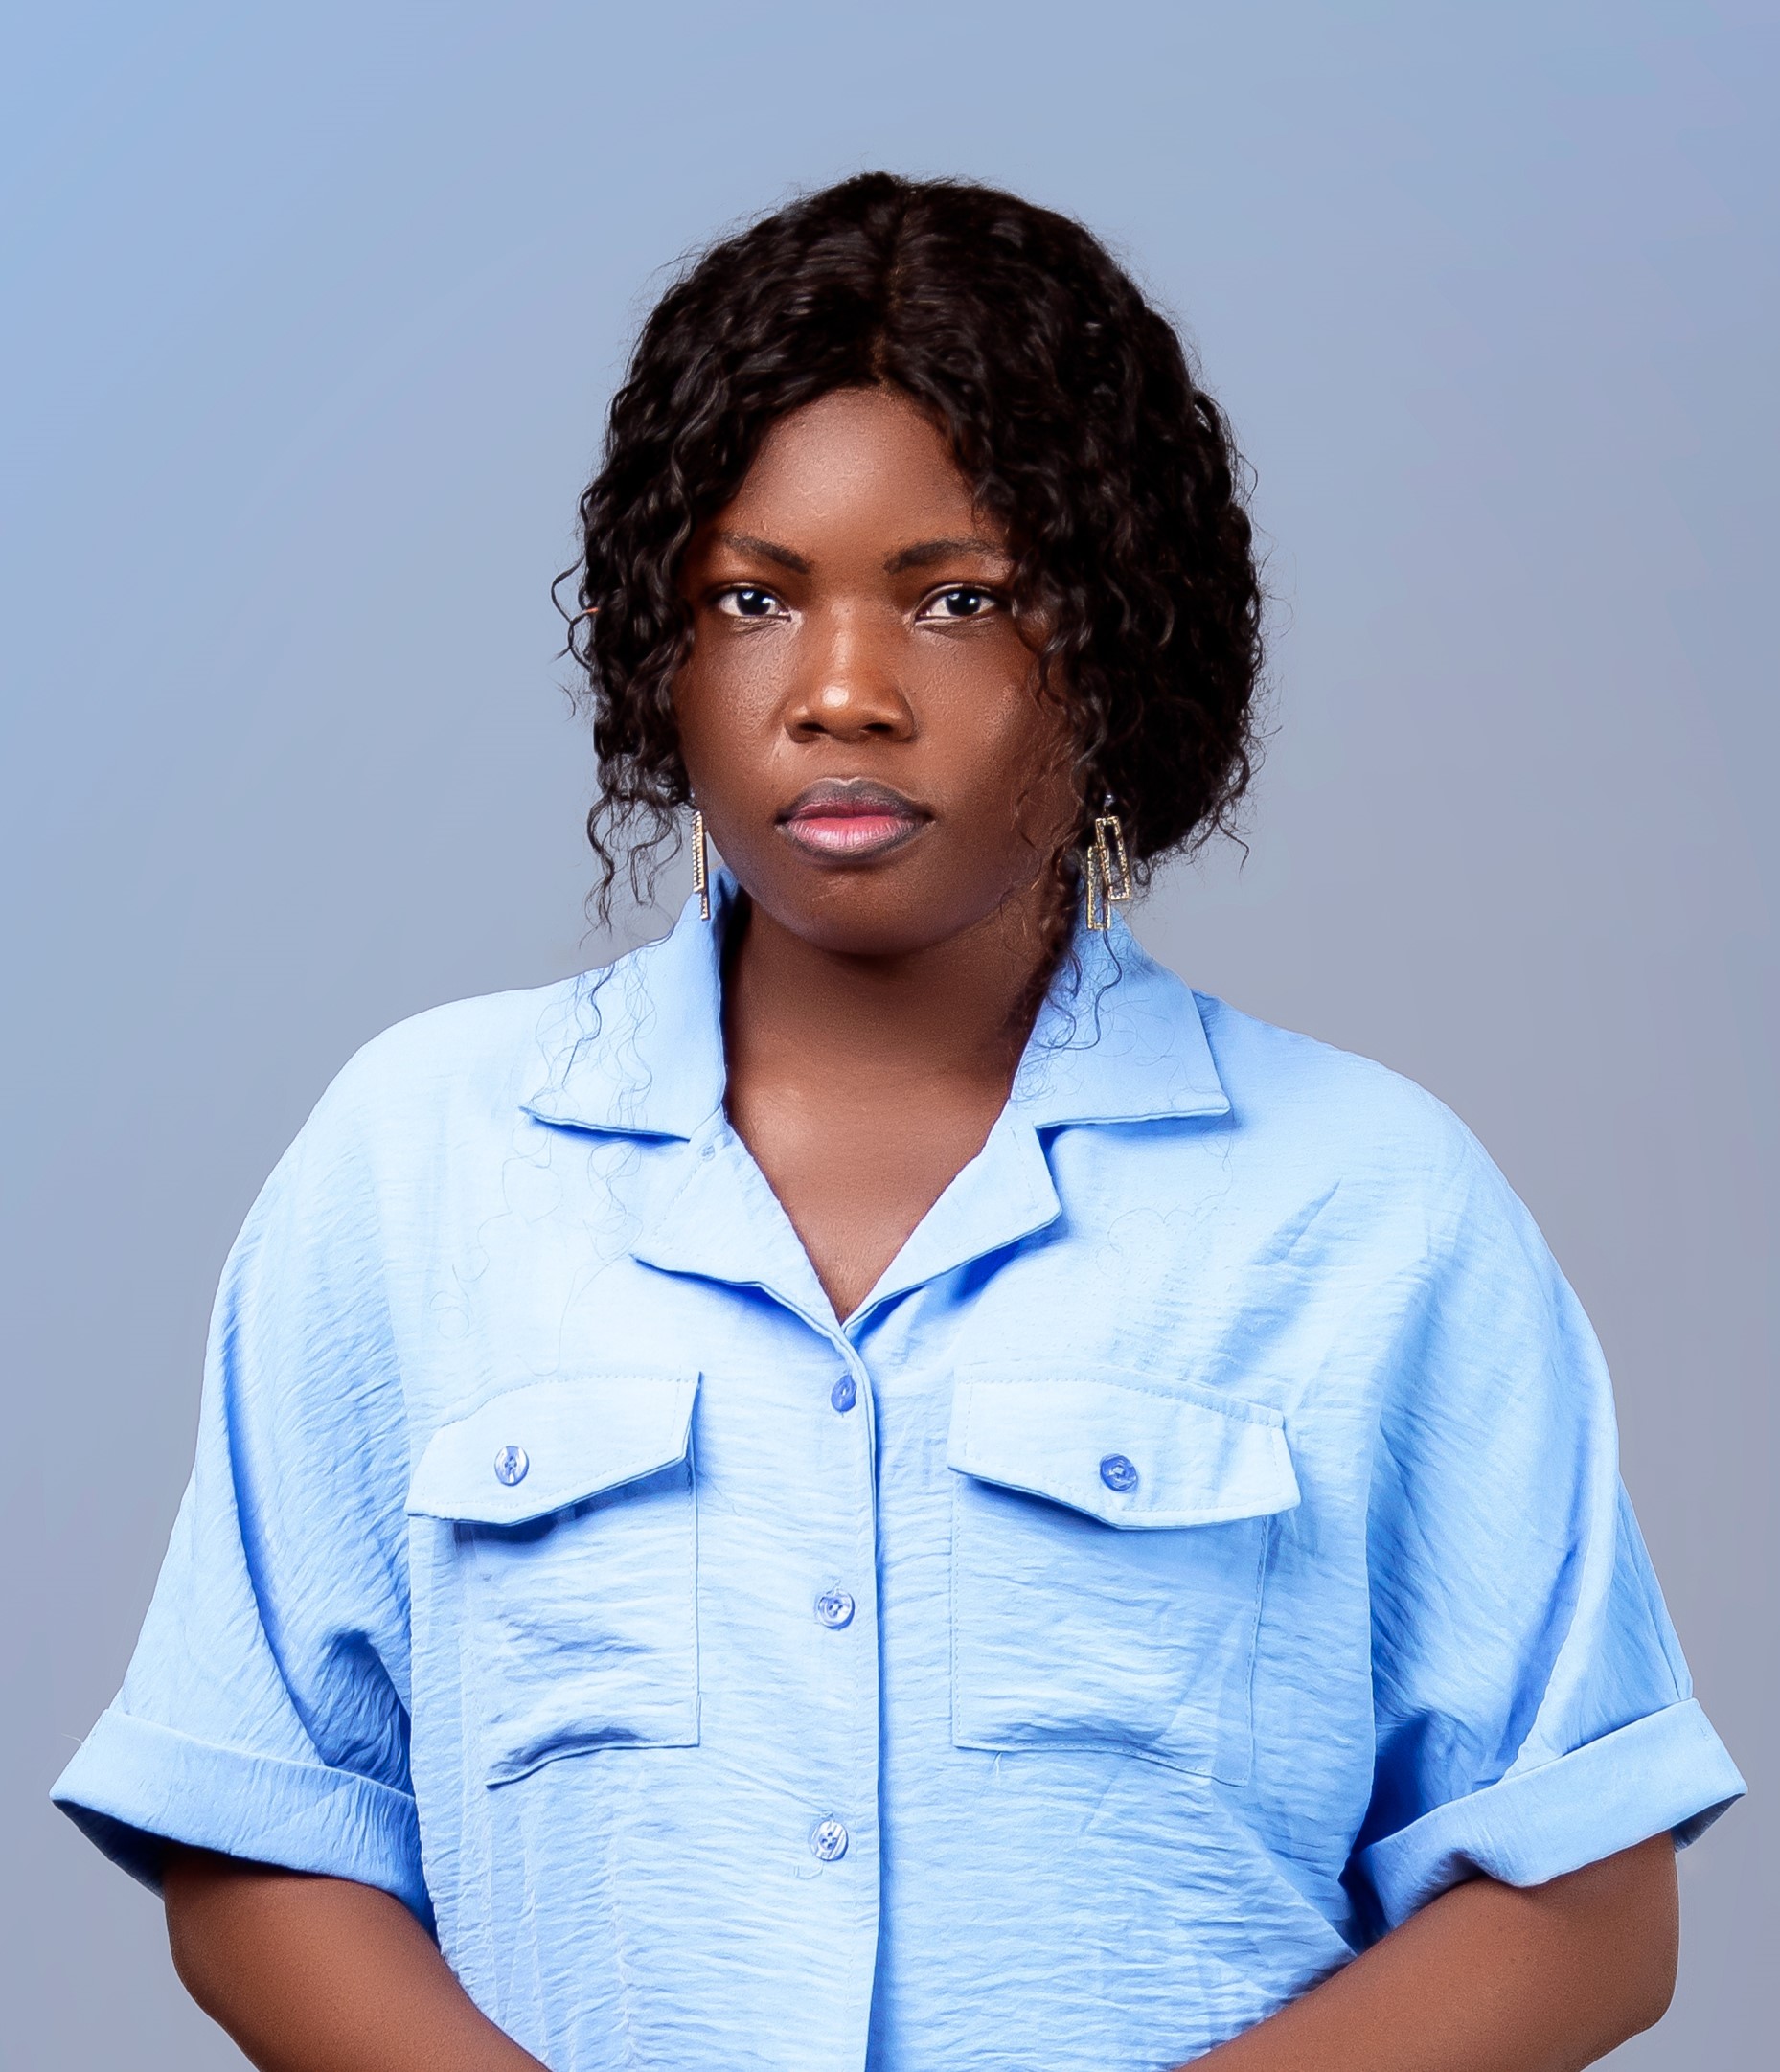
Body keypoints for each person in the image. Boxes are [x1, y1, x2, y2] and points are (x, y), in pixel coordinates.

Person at [54, 173, 1743, 2072]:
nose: (840, 693)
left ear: (1117, 637)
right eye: (752, 599)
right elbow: (260, 1825)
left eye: (958, 601)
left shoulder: (1369, 1204)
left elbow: (1582, 1907)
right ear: (659, 647)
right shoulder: (414, 1162)